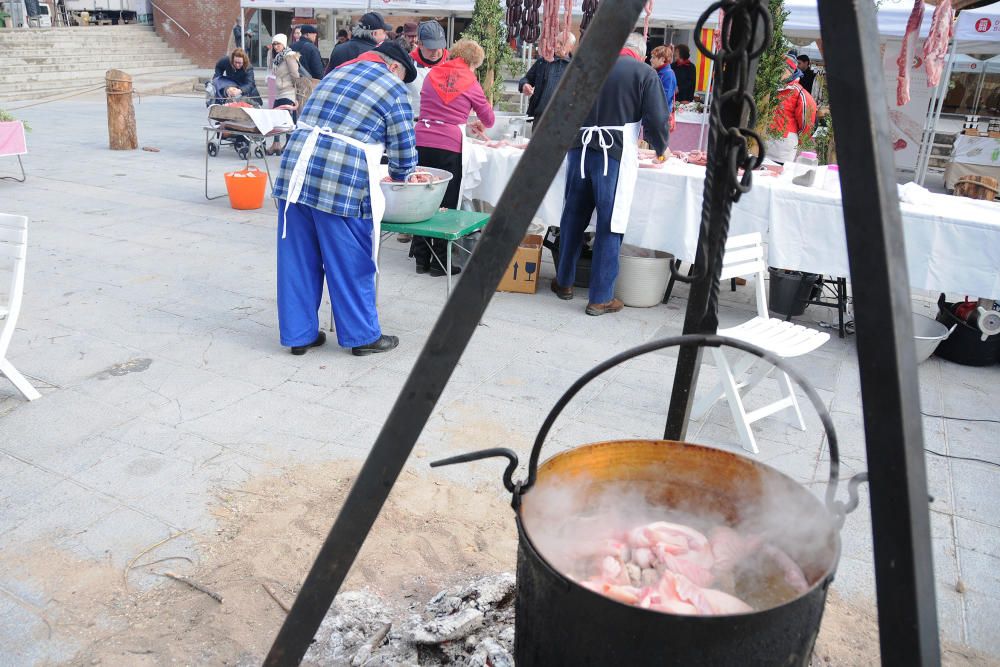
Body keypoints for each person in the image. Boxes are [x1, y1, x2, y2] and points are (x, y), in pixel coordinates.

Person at [272, 41, 418, 357]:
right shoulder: (394, 90)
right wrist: (404, 174)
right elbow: (404, 154)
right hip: (340, 181)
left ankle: (300, 335)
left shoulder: (337, 73)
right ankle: (361, 336)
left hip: (293, 176)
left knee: (297, 259)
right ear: (394, 67)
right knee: (350, 260)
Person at [551, 32, 669, 316]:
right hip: (613, 154)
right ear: (640, 53)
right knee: (610, 222)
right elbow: (656, 117)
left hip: (579, 148)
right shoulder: (644, 72)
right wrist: (660, 147)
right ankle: (600, 296)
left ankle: (565, 281)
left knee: (573, 216)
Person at [410, 39, 495, 276]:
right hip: (449, 144)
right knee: (445, 201)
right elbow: (488, 119)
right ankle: (439, 262)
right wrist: (472, 121)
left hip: (422, 139)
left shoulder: (432, 74)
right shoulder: (470, 82)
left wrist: (460, 118)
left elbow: (434, 109)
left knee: (421, 197)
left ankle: (420, 257)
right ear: (472, 62)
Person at [765, 55, 818, 165]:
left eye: (782, 70)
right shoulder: (768, 88)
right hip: (760, 144)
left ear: (790, 71)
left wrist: (796, 140)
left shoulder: (799, 94)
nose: (778, 73)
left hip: (782, 149)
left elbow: (806, 124)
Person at [518, 31, 575, 121]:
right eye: (557, 42)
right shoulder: (543, 62)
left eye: (562, 43)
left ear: (571, 47)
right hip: (540, 118)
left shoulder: (575, 67)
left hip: (565, 120)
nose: (557, 45)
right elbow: (526, 79)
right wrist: (525, 85)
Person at [267, 34, 301, 155]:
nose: (276, 46)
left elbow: (295, 75)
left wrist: (295, 92)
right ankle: (276, 144)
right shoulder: (277, 58)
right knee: (276, 119)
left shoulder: (289, 56)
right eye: (274, 44)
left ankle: (288, 144)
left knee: (286, 121)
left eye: (278, 44)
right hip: (279, 92)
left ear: (284, 44)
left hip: (288, 92)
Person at [324, 12, 389, 74]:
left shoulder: (338, 49)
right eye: (384, 32)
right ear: (374, 33)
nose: (386, 36)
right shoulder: (376, 53)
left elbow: (327, 75)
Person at [650, 44, 677, 130]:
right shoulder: (661, 72)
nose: (651, 60)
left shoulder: (667, 74)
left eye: (653, 58)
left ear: (662, 59)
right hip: (657, 117)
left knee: (655, 143)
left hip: (660, 118)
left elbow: (664, 98)